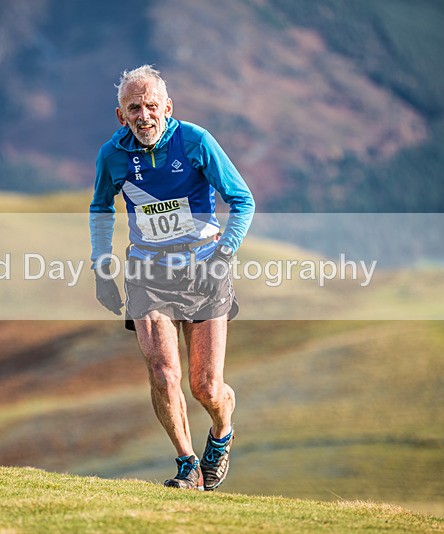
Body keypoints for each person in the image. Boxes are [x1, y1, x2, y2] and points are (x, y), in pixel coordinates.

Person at [89, 65, 255, 491]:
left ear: (167, 107)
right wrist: (102, 265)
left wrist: (224, 252)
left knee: (206, 387)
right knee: (164, 373)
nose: (144, 116)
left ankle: (221, 433)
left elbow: (242, 200)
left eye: (151, 106)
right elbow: (101, 208)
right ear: (120, 115)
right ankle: (187, 465)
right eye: (133, 108)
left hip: (204, 266)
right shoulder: (113, 154)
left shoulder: (196, 142)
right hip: (148, 271)